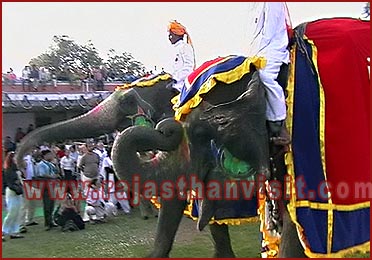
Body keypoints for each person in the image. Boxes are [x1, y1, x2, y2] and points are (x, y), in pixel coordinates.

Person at [247, 2, 292, 145]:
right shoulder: (254, 5)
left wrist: (256, 54)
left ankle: (279, 123)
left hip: (273, 48)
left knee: (265, 77)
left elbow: (269, 32)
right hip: (259, 50)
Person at [35, 149, 60, 231]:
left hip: (52, 185)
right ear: (45, 156)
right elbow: (42, 174)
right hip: (46, 185)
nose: (51, 156)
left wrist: (56, 164)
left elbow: (57, 171)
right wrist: (52, 177)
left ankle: (51, 220)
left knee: (52, 203)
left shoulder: (51, 164)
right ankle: (47, 222)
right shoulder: (41, 164)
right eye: (49, 155)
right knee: (47, 204)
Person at [167, 20, 196, 92]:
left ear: (177, 35)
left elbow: (189, 67)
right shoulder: (174, 49)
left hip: (181, 87)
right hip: (171, 84)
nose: (169, 37)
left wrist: (175, 79)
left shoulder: (185, 47)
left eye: (171, 35)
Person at [2, 152, 25, 239]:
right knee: (12, 212)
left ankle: (14, 231)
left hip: (17, 191)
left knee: (18, 212)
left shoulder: (16, 169)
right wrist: (17, 188)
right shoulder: (8, 170)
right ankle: (4, 231)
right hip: (12, 191)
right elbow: (9, 183)